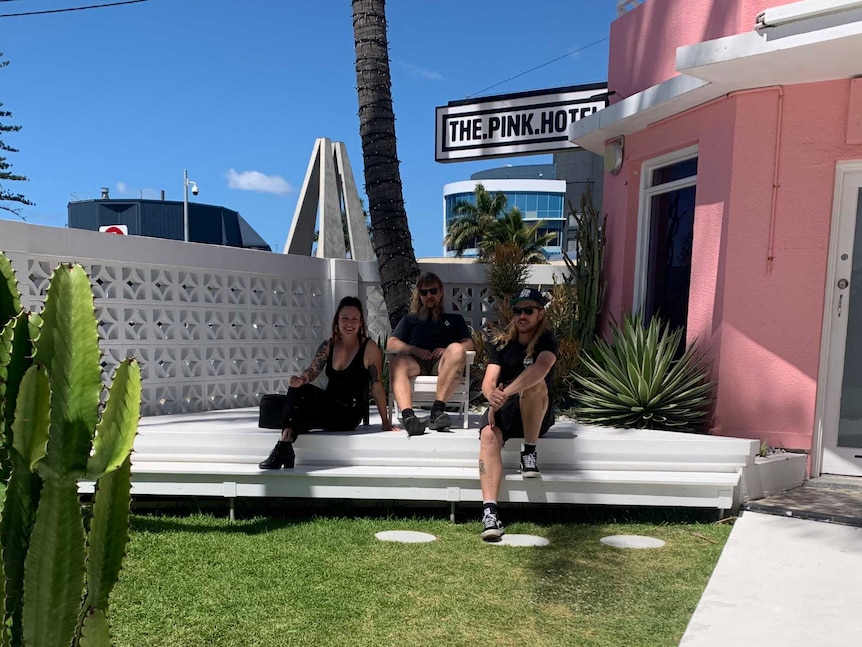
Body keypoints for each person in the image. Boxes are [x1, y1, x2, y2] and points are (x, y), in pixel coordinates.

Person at [259, 296, 395, 469]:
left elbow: (376, 384)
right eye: (345, 318)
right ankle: (286, 443)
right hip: (328, 405)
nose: (349, 323)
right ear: (337, 320)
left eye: (354, 319)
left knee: (292, 406)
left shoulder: (369, 348)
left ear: (361, 323)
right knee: (285, 396)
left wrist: (385, 422)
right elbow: (313, 370)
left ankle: (284, 444)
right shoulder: (329, 345)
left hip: (348, 413)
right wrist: (301, 379)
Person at [477, 288, 558, 541]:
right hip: (504, 409)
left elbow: (541, 368)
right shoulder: (503, 343)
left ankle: (529, 452)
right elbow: (488, 381)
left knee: (534, 385)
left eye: (528, 310)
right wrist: (492, 398)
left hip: (535, 412)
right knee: (488, 436)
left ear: (540, 313)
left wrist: (505, 394)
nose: (522, 315)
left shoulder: (547, 341)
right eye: (518, 311)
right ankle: (490, 512)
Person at [387, 272, 474, 435]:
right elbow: (392, 343)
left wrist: (447, 349)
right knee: (397, 362)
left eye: (433, 291)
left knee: (457, 349)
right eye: (424, 292)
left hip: (441, 365)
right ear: (419, 295)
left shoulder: (454, 319)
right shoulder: (409, 320)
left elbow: (469, 345)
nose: (429, 296)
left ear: (441, 292)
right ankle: (409, 418)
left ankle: (437, 411)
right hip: (415, 363)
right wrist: (414, 350)